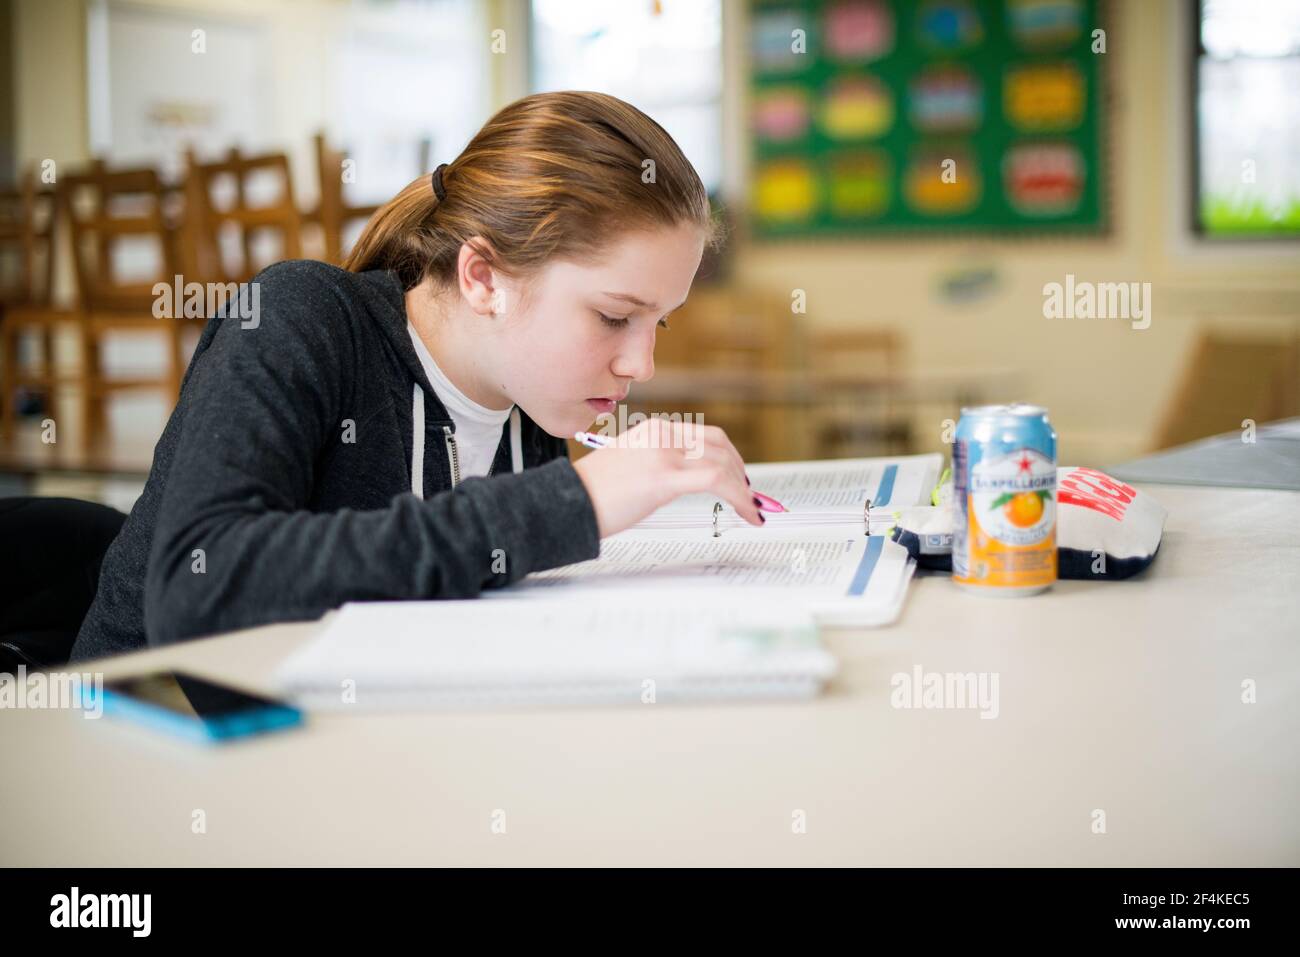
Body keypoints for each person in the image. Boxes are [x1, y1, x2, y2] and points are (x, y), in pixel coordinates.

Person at [70, 90, 765, 663]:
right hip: (156, 754)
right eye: (615, 316)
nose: (641, 365)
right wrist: (570, 503)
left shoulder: (531, 408)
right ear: (483, 276)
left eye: (659, 323)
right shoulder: (296, 319)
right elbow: (199, 586)